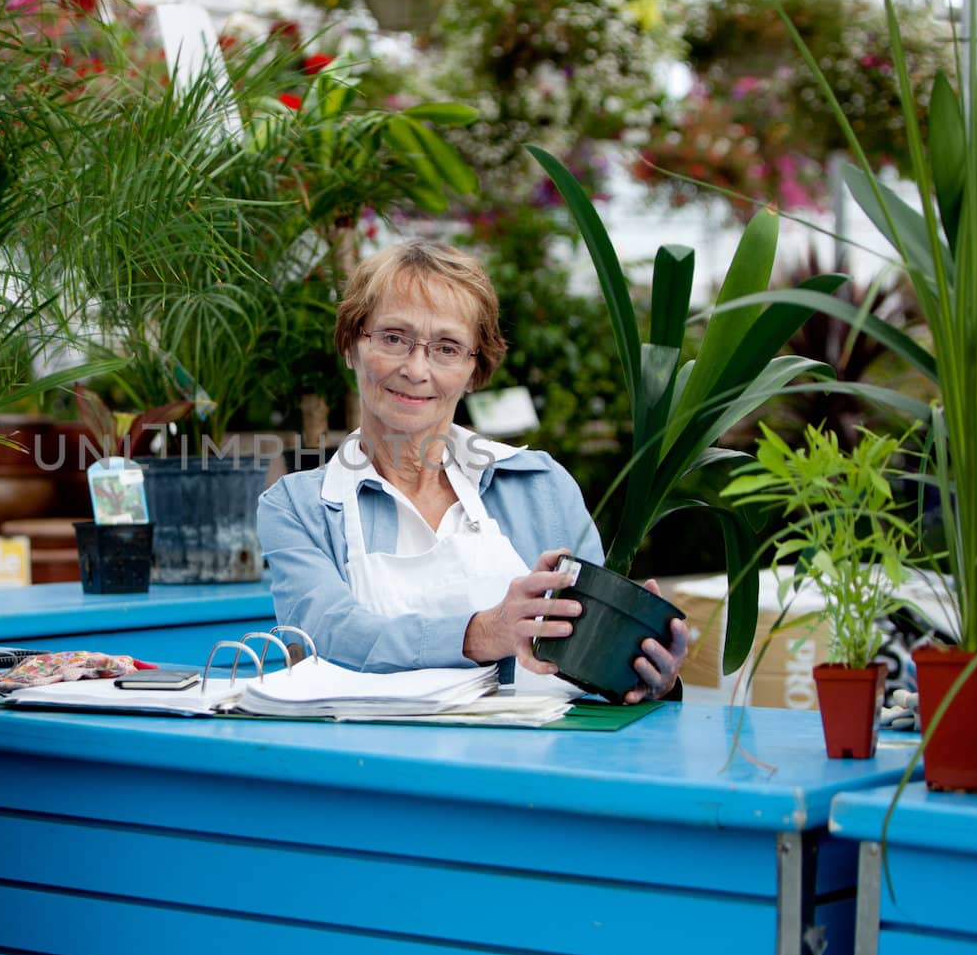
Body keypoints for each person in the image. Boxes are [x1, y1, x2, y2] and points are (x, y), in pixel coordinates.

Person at [257, 239, 687, 702]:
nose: (416, 369)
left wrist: (642, 674)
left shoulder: (540, 485)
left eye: (446, 348)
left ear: (475, 370)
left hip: (537, 763)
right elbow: (329, 637)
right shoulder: (298, 507)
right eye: (394, 338)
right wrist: (484, 632)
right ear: (351, 347)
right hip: (375, 764)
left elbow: (589, 656)